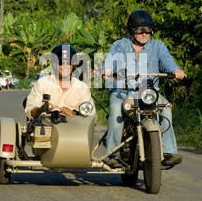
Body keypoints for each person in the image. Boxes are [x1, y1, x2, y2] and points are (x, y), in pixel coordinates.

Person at [102, 10, 186, 168]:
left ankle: (168, 151)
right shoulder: (120, 45)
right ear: (131, 31)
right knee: (115, 110)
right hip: (122, 91)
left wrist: (176, 70)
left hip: (148, 92)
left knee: (166, 107)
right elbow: (110, 59)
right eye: (139, 29)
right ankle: (112, 154)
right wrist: (106, 69)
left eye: (147, 29)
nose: (144, 33)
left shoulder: (158, 46)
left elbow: (168, 61)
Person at [25, 44, 96, 118]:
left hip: (74, 127)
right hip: (46, 126)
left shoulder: (82, 88)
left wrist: (74, 113)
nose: (65, 66)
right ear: (53, 64)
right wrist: (42, 109)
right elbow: (30, 109)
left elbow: (91, 115)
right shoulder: (42, 83)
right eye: (61, 63)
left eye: (69, 62)